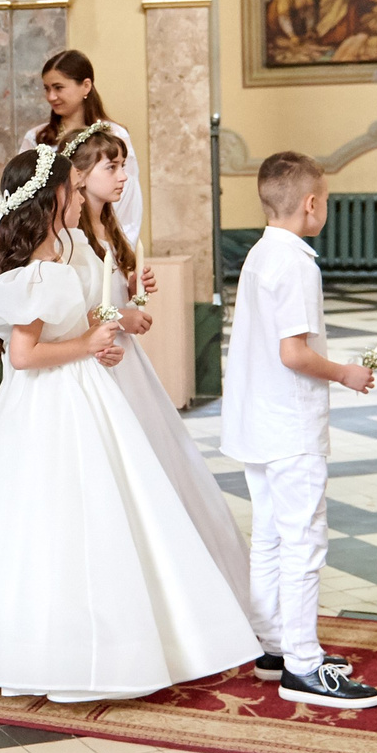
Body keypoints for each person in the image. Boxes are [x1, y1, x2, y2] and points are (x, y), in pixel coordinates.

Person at [0, 145, 256, 701]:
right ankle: (45, 645)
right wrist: (88, 343)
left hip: (80, 391)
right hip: (48, 400)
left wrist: (106, 327)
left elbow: (70, 321)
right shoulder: (35, 272)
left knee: (103, 507)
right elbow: (24, 355)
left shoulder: (58, 256)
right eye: (71, 188)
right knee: (54, 513)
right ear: (51, 196)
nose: (79, 196)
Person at [61, 123, 251, 618]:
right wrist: (117, 313)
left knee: (157, 463)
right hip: (96, 364)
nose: (124, 175)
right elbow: (65, 308)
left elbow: (105, 293)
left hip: (126, 362)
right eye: (113, 166)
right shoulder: (69, 235)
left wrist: (130, 283)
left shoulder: (111, 226)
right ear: (80, 175)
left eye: (123, 164)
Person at [222, 152, 377, 709]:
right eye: (327, 201)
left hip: (255, 422)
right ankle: (305, 666)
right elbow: (294, 353)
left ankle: (274, 648)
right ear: (311, 204)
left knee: (269, 535)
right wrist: (347, 374)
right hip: (289, 427)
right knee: (304, 541)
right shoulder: (297, 264)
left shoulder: (260, 254)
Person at [19, 48, 143, 247]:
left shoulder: (115, 134)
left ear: (86, 86)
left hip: (104, 241)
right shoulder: (37, 138)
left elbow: (128, 198)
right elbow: (27, 195)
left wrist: (114, 247)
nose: (51, 96)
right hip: (54, 242)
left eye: (58, 87)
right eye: (46, 88)